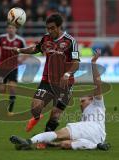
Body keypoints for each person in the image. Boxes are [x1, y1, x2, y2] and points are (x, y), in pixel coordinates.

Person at [10, 50, 110, 150]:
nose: (81, 102)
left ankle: (29, 141)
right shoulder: (88, 115)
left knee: (57, 134)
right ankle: (98, 146)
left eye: (83, 100)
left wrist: (93, 63)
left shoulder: (97, 103)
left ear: (91, 98)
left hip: (90, 129)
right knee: (64, 144)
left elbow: (97, 82)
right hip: (98, 138)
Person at [12, 13, 80, 146]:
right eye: (48, 28)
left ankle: (44, 140)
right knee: (35, 107)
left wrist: (67, 74)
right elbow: (35, 49)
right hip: (47, 80)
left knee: (55, 114)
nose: (50, 31)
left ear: (59, 27)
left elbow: (76, 62)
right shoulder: (46, 39)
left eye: (52, 28)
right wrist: (20, 50)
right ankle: (37, 116)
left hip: (64, 83)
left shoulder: (70, 41)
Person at [0, 24, 26, 114]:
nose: (11, 29)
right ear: (6, 29)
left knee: (12, 88)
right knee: (0, 89)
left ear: (16, 29)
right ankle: (6, 89)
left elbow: (26, 51)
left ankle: (10, 110)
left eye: (12, 28)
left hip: (13, 68)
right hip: (2, 67)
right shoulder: (1, 38)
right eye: (9, 28)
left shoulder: (20, 40)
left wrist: (22, 59)